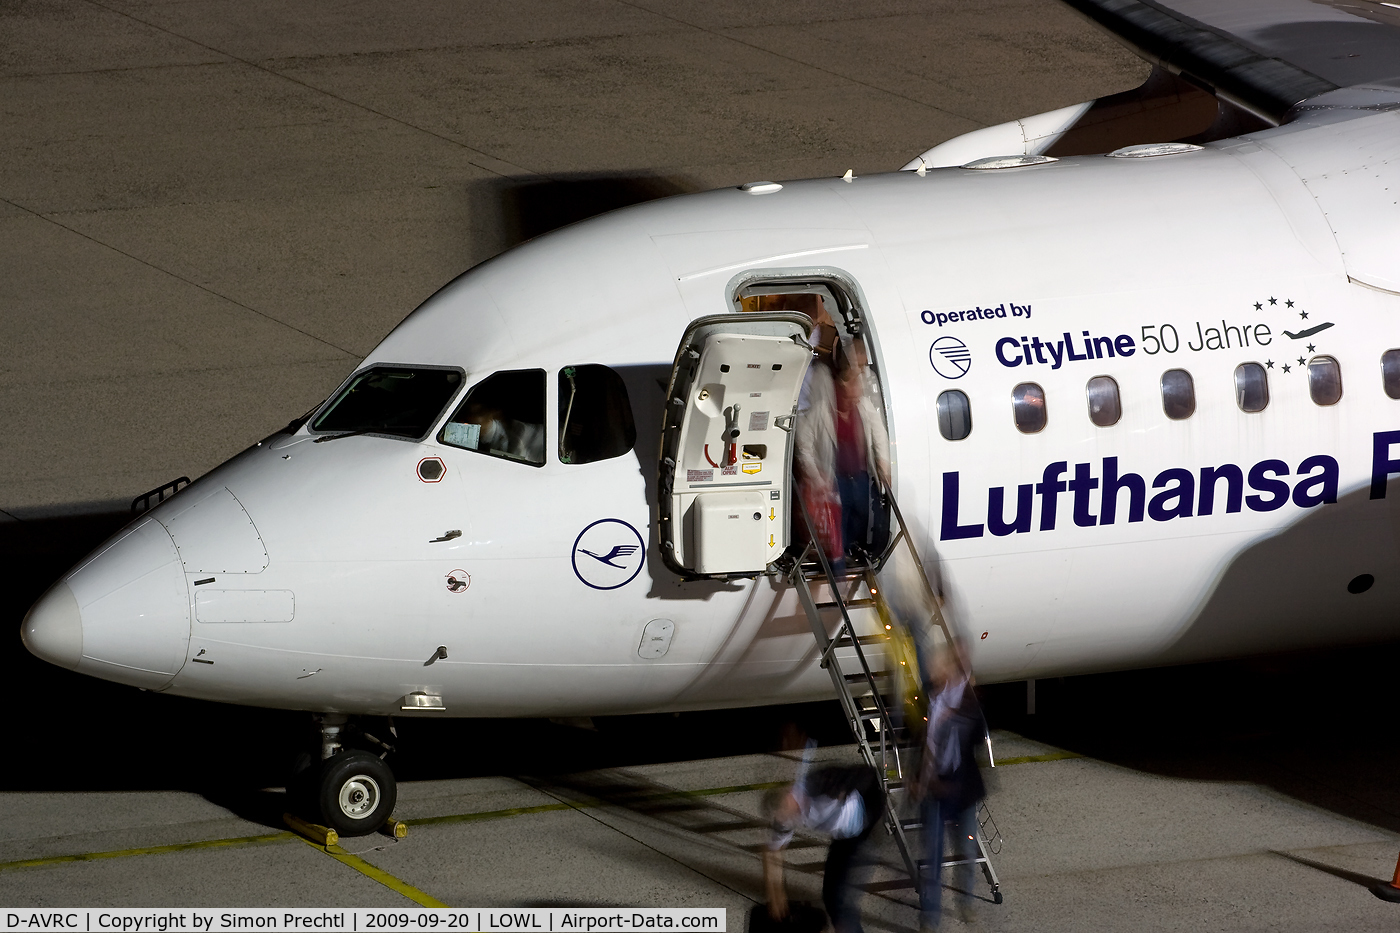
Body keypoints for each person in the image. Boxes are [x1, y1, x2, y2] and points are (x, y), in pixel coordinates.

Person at [763, 756, 885, 933]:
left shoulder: (820, 783)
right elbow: (771, 852)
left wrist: (845, 789)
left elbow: (870, 774)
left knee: (839, 902)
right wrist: (776, 895)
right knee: (830, 896)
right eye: (782, 817)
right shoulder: (784, 818)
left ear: (789, 796)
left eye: (786, 812)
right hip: (844, 836)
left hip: (866, 822)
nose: (786, 820)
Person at [914, 646, 986, 931]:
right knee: (933, 858)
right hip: (933, 786)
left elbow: (978, 734)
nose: (935, 672)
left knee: (966, 849)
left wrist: (954, 718)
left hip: (961, 786)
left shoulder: (966, 697)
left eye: (940, 667)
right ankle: (931, 916)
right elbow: (921, 740)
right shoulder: (929, 696)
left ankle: (966, 901)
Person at [832, 337, 891, 564]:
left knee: (860, 511)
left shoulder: (865, 393)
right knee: (844, 513)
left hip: (859, 470)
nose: (863, 367)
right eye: (859, 361)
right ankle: (842, 553)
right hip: (839, 471)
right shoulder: (833, 390)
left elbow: (878, 430)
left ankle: (853, 548)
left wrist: (883, 463)